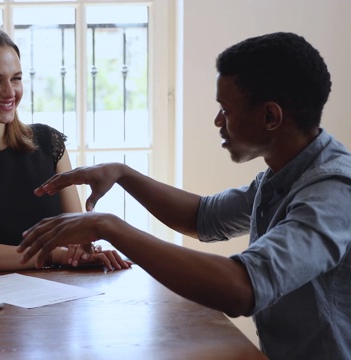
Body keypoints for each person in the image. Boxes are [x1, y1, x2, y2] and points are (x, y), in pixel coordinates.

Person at [17, 32, 351, 359]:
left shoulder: (332, 191)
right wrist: (122, 173)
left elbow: (243, 288)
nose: (218, 120)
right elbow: (203, 217)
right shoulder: (284, 174)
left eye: (226, 109)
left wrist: (110, 226)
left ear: (270, 117)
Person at [0, 21, 130, 273]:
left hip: (56, 294)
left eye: (16, 78)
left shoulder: (49, 143)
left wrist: (82, 252)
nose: (10, 92)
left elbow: (75, 236)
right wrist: (53, 254)